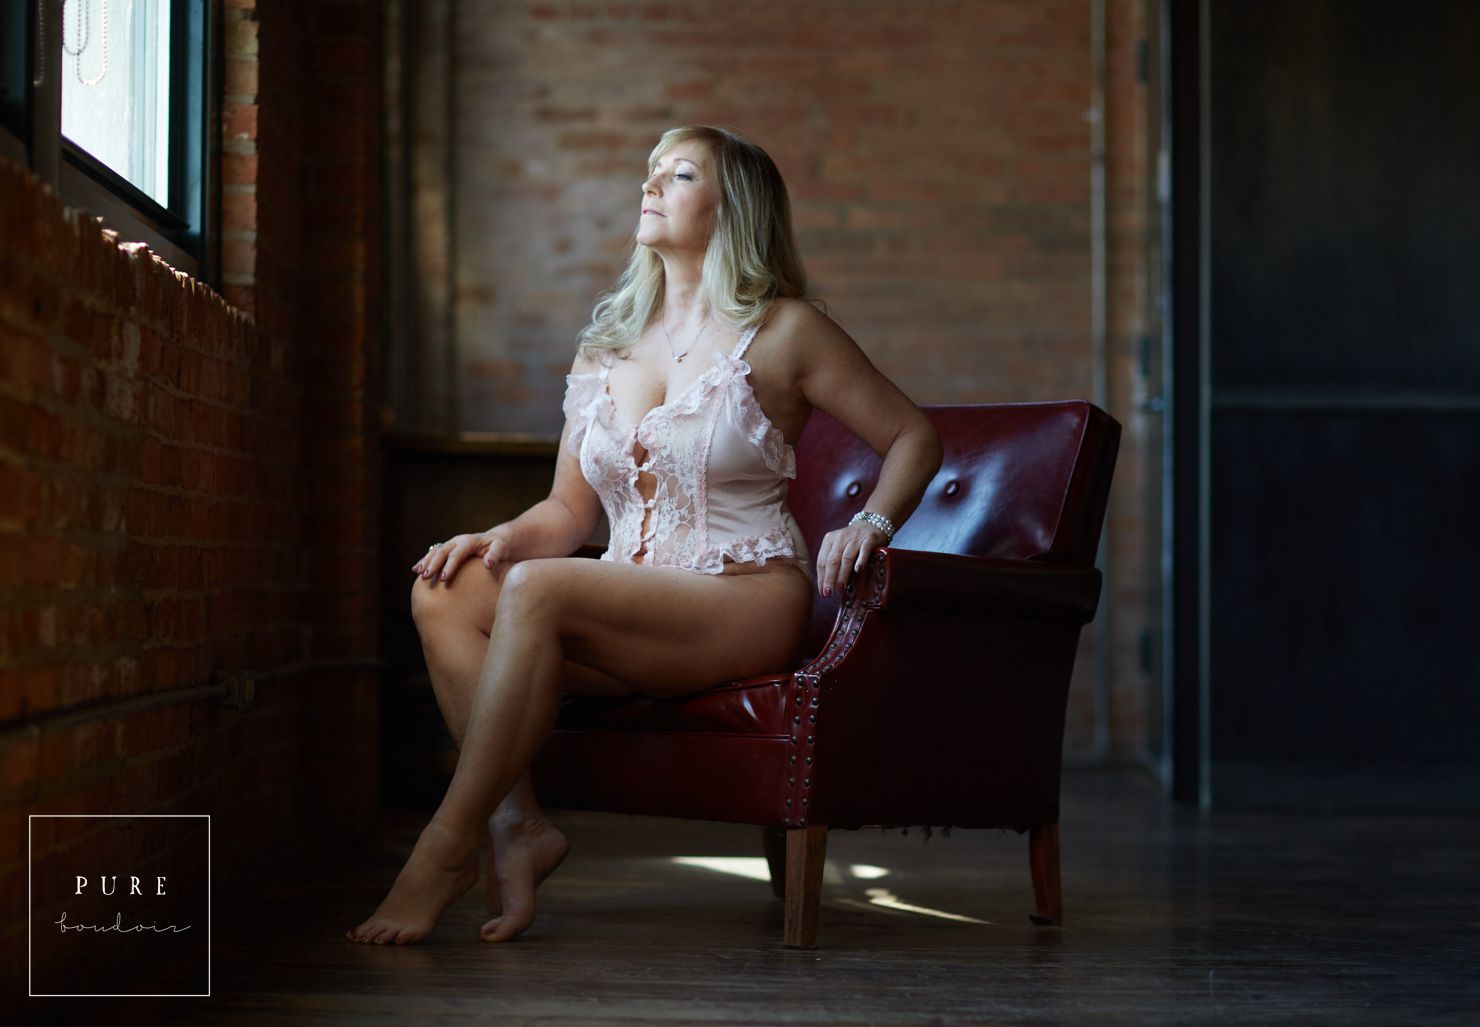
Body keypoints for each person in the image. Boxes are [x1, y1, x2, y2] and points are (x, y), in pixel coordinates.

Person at [346, 125, 943, 946]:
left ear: (732, 207)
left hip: (745, 593)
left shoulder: (786, 331)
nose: (650, 186)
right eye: (650, 173)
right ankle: (517, 826)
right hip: (636, 599)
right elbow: (569, 514)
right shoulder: (606, 345)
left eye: (680, 173)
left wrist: (870, 520)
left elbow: (915, 435)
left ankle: (443, 848)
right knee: (445, 589)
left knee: (541, 588)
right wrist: (498, 536)